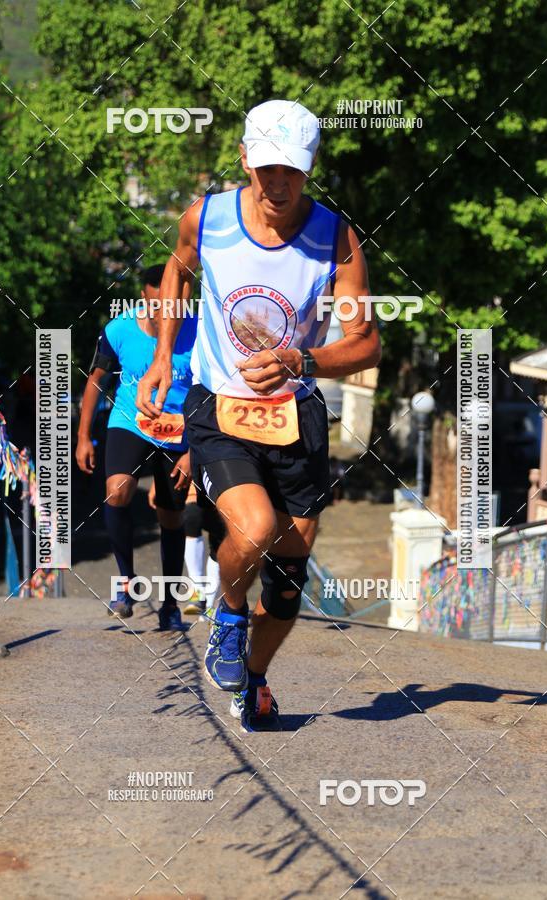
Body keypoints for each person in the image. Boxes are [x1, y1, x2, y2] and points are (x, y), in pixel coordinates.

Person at [137, 100, 381, 730]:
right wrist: (165, 355)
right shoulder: (209, 217)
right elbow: (177, 269)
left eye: (293, 171)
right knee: (254, 527)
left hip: (295, 416)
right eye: (267, 167)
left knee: (291, 575)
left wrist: (301, 361)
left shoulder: (335, 237)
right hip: (219, 404)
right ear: (245, 158)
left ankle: (254, 676)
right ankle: (227, 613)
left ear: (310, 168)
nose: (278, 183)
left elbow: (366, 344)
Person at [76, 264, 197, 631]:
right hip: (131, 421)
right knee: (117, 491)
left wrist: (195, 451)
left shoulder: (199, 332)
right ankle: (126, 585)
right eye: (159, 301)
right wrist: (83, 436)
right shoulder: (119, 329)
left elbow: (214, 393)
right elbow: (96, 382)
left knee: (171, 516)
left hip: (179, 429)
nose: (165, 310)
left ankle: (171, 603)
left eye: (172, 303)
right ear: (145, 295)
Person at [148, 478, 225, 615]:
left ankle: (211, 601)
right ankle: (197, 591)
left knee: (220, 535)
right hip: (193, 477)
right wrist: (157, 482)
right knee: (191, 517)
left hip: (225, 480)